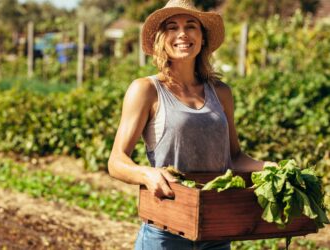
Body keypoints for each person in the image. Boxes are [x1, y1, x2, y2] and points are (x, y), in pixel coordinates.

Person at [108, 0, 276, 249]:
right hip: (166, 229)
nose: (182, 34)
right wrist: (147, 174)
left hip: (216, 228)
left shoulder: (221, 93)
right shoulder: (146, 90)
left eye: (191, 26)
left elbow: (235, 157)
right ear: (161, 38)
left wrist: (271, 167)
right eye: (172, 27)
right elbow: (116, 161)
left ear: (203, 37)